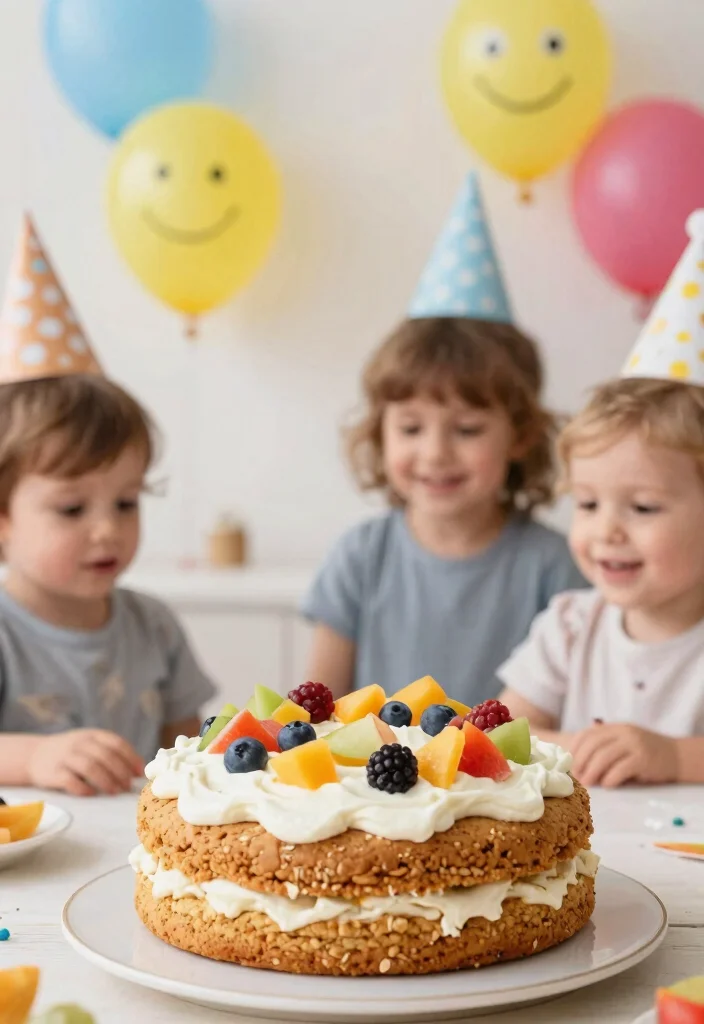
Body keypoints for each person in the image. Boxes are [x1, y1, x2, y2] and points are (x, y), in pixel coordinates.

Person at [302, 174, 584, 703]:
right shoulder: (361, 556)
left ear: (521, 434)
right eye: (410, 428)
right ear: (379, 433)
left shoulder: (552, 566)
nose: (435, 452)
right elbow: (312, 713)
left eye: (468, 429)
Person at [0, 216, 215, 796]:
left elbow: (186, 761)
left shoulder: (155, 629)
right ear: (3, 519)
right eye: (72, 509)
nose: (107, 530)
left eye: (126, 502)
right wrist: (34, 758)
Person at [498, 212, 704, 787]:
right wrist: (582, 745)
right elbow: (499, 732)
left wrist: (673, 758)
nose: (606, 530)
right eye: (587, 504)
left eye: (642, 508)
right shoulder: (571, 626)